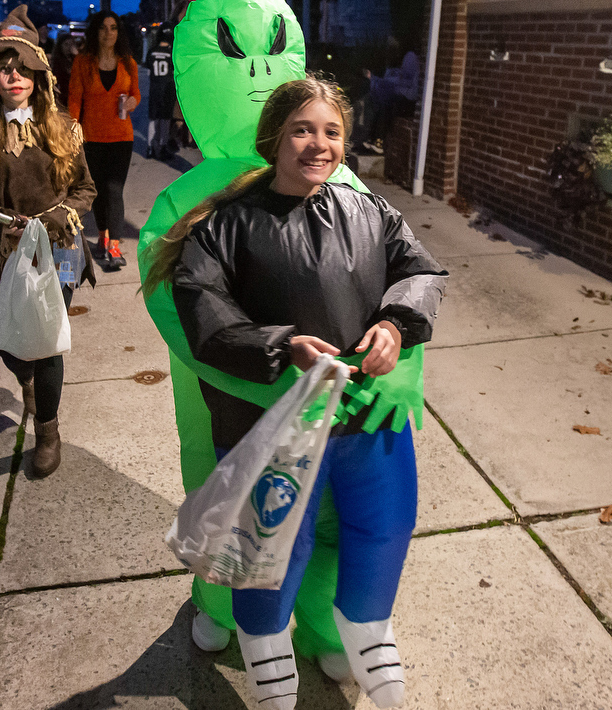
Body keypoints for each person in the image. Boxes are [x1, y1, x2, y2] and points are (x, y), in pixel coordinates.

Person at [143, 75, 447, 709]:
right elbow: (202, 304)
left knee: (383, 523)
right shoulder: (228, 223)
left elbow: (419, 270)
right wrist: (280, 346)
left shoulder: (370, 212)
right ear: (274, 139)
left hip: (365, 413)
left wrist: (396, 321)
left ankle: (368, 628)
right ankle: (264, 643)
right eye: (302, 130)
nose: (319, 144)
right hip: (276, 422)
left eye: (331, 132)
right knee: (275, 537)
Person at [0, 4, 97, 478]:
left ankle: (48, 432)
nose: (13, 76)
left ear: (38, 75)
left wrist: (56, 216)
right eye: (3, 68)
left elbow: (86, 190)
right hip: (7, 253)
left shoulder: (63, 129)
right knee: (15, 345)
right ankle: (30, 385)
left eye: (22, 68)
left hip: (60, 251)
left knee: (47, 343)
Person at [69, 9, 140, 271]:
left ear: (118, 32)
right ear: (95, 32)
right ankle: (102, 236)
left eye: (113, 28)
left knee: (114, 190)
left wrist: (133, 102)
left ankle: (115, 246)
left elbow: (135, 94)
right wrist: (72, 131)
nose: (108, 33)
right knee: (97, 191)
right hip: (92, 137)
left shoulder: (128, 62)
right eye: (103, 28)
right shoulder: (83, 62)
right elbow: (75, 99)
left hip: (122, 136)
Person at [144, 23, 176, 160]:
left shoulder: (152, 51)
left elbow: (148, 69)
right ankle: (162, 147)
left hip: (154, 89)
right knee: (165, 120)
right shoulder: (171, 53)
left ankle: (150, 147)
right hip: (167, 90)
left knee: (153, 119)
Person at [50, 30, 78, 107]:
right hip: (65, 97)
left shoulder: (75, 59)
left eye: (71, 44)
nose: (69, 47)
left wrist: (76, 56)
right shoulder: (58, 62)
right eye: (66, 44)